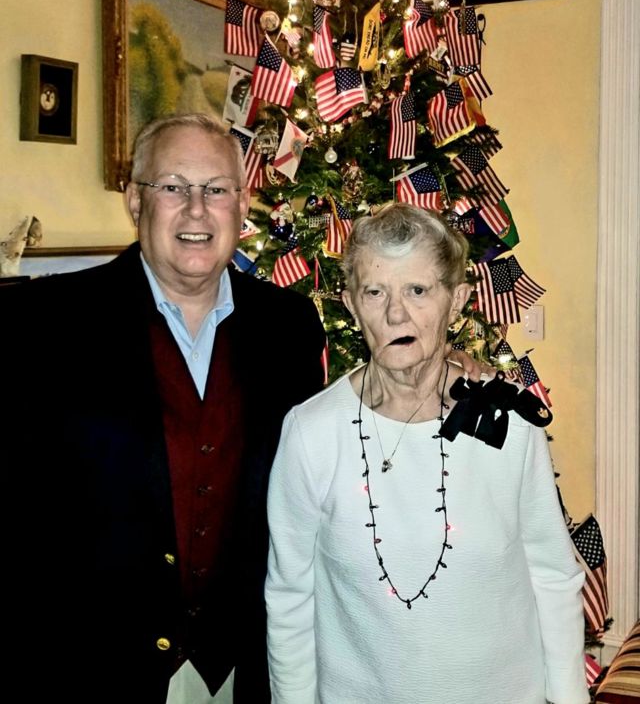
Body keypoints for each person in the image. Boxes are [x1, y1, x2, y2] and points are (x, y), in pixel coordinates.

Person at [2, 113, 327, 704]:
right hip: (89, 668)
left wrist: (441, 370)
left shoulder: (289, 327)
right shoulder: (41, 323)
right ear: (135, 200)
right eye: (173, 186)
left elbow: (329, 456)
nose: (197, 211)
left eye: (217, 189)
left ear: (243, 204)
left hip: (244, 666)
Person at [266, 203, 590, 704]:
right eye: (375, 292)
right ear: (351, 305)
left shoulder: (507, 422)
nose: (396, 314)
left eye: (418, 290)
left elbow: (552, 574)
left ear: (456, 301)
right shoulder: (311, 432)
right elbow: (290, 595)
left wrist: (568, 698)